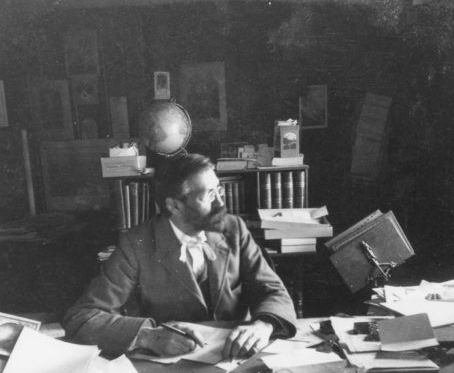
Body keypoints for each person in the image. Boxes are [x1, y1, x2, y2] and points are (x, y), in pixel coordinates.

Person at [63, 153, 296, 359]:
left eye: (219, 190)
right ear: (174, 206)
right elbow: (82, 318)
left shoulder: (233, 229)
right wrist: (149, 337)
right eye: (209, 195)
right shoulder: (137, 243)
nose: (222, 203)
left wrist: (263, 326)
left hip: (235, 358)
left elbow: (274, 291)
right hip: (171, 365)